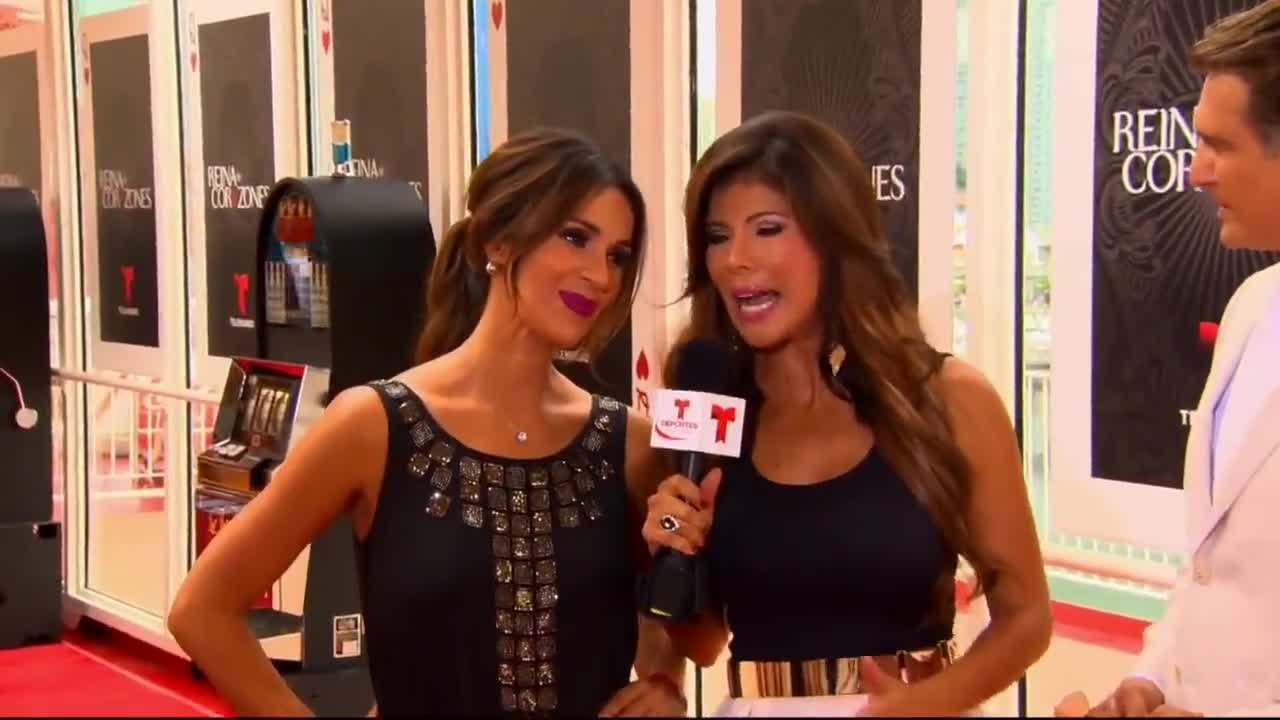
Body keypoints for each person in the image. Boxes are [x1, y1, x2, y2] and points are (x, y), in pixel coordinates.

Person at [168, 128, 687, 717]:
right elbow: (202, 610)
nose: (601, 275)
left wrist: (666, 683)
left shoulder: (626, 442)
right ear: (497, 241)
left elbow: (658, 620)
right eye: (575, 238)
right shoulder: (373, 426)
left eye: (618, 256)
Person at [641, 110, 1053, 717]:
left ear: (834, 239)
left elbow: (1027, 617)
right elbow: (703, 644)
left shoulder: (947, 399)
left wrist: (924, 705)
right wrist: (673, 553)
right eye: (718, 236)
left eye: (767, 229)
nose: (734, 259)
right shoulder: (708, 403)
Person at [1055, 2, 1280, 717]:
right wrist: (1151, 680)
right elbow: (1214, 568)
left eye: (1219, 145)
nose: (1194, 170)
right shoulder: (1251, 308)